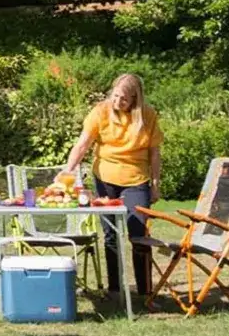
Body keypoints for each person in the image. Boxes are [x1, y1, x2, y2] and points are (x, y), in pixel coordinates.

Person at [61, 73, 163, 295]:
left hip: (136, 179)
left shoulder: (147, 115)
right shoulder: (100, 112)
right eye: (115, 96)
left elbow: (154, 153)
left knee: (139, 233)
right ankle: (115, 289)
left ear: (135, 99)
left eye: (124, 99)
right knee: (110, 235)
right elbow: (82, 145)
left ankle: (145, 290)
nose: (117, 102)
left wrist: (155, 183)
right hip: (105, 179)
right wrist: (67, 172)